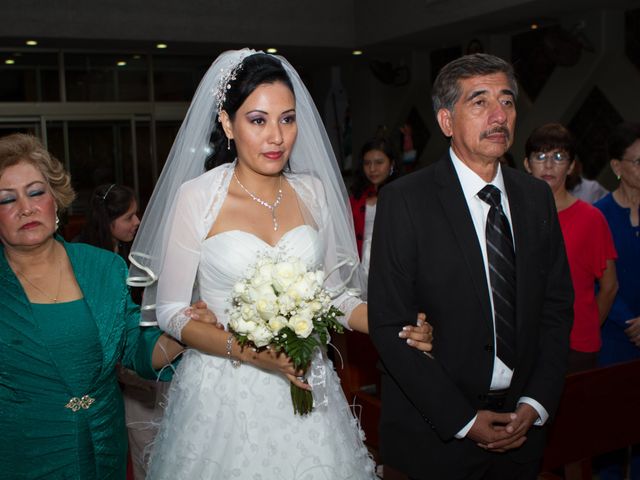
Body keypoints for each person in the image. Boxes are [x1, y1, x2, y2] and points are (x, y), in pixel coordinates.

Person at [127, 49, 432, 479]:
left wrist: (395, 322)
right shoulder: (198, 197)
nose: (276, 137)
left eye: (287, 119)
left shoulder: (313, 193)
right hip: (224, 393)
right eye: (258, 120)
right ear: (227, 123)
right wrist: (253, 354)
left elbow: (336, 296)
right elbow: (172, 311)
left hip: (308, 385)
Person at [368, 53, 574, 480]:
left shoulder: (535, 197)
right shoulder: (405, 200)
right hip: (438, 436)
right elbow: (390, 325)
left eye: (508, 101)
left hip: (523, 431)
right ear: (446, 121)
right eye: (480, 102)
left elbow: (556, 307)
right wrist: (463, 420)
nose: (499, 115)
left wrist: (535, 403)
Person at [0, 133, 212, 479]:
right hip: (21, 455)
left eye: (36, 192)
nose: (26, 208)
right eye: (7, 200)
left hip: (104, 450)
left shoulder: (103, 267)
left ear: (55, 198)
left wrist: (183, 330)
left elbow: (134, 347)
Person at [76, 183, 162, 480]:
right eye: (129, 217)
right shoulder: (86, 265)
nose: (137, 223)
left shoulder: (128, 256)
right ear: (107, 221)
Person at [523, 123, 617, 373]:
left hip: (577, 346)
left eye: (559, 156)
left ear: (572, 165)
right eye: (540, 156)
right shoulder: (514, 217)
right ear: (527, 164)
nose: (549, 165)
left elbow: (609, 286)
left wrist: (587, 326)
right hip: (526, 345)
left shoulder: (591, 218)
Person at [593, 121, 640, 480]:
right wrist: (627, 320)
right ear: (616, 167)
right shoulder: (600, 215)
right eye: (637, 161)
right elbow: (596, 280)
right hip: (613, 335)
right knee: (608, 434)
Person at [349, 137, 398, 278]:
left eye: (379, 162)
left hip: (391, 264)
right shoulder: (355, 199)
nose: (372, 169)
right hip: (360, 264)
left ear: (392, 164)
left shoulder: (402, 196)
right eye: (367, 163)